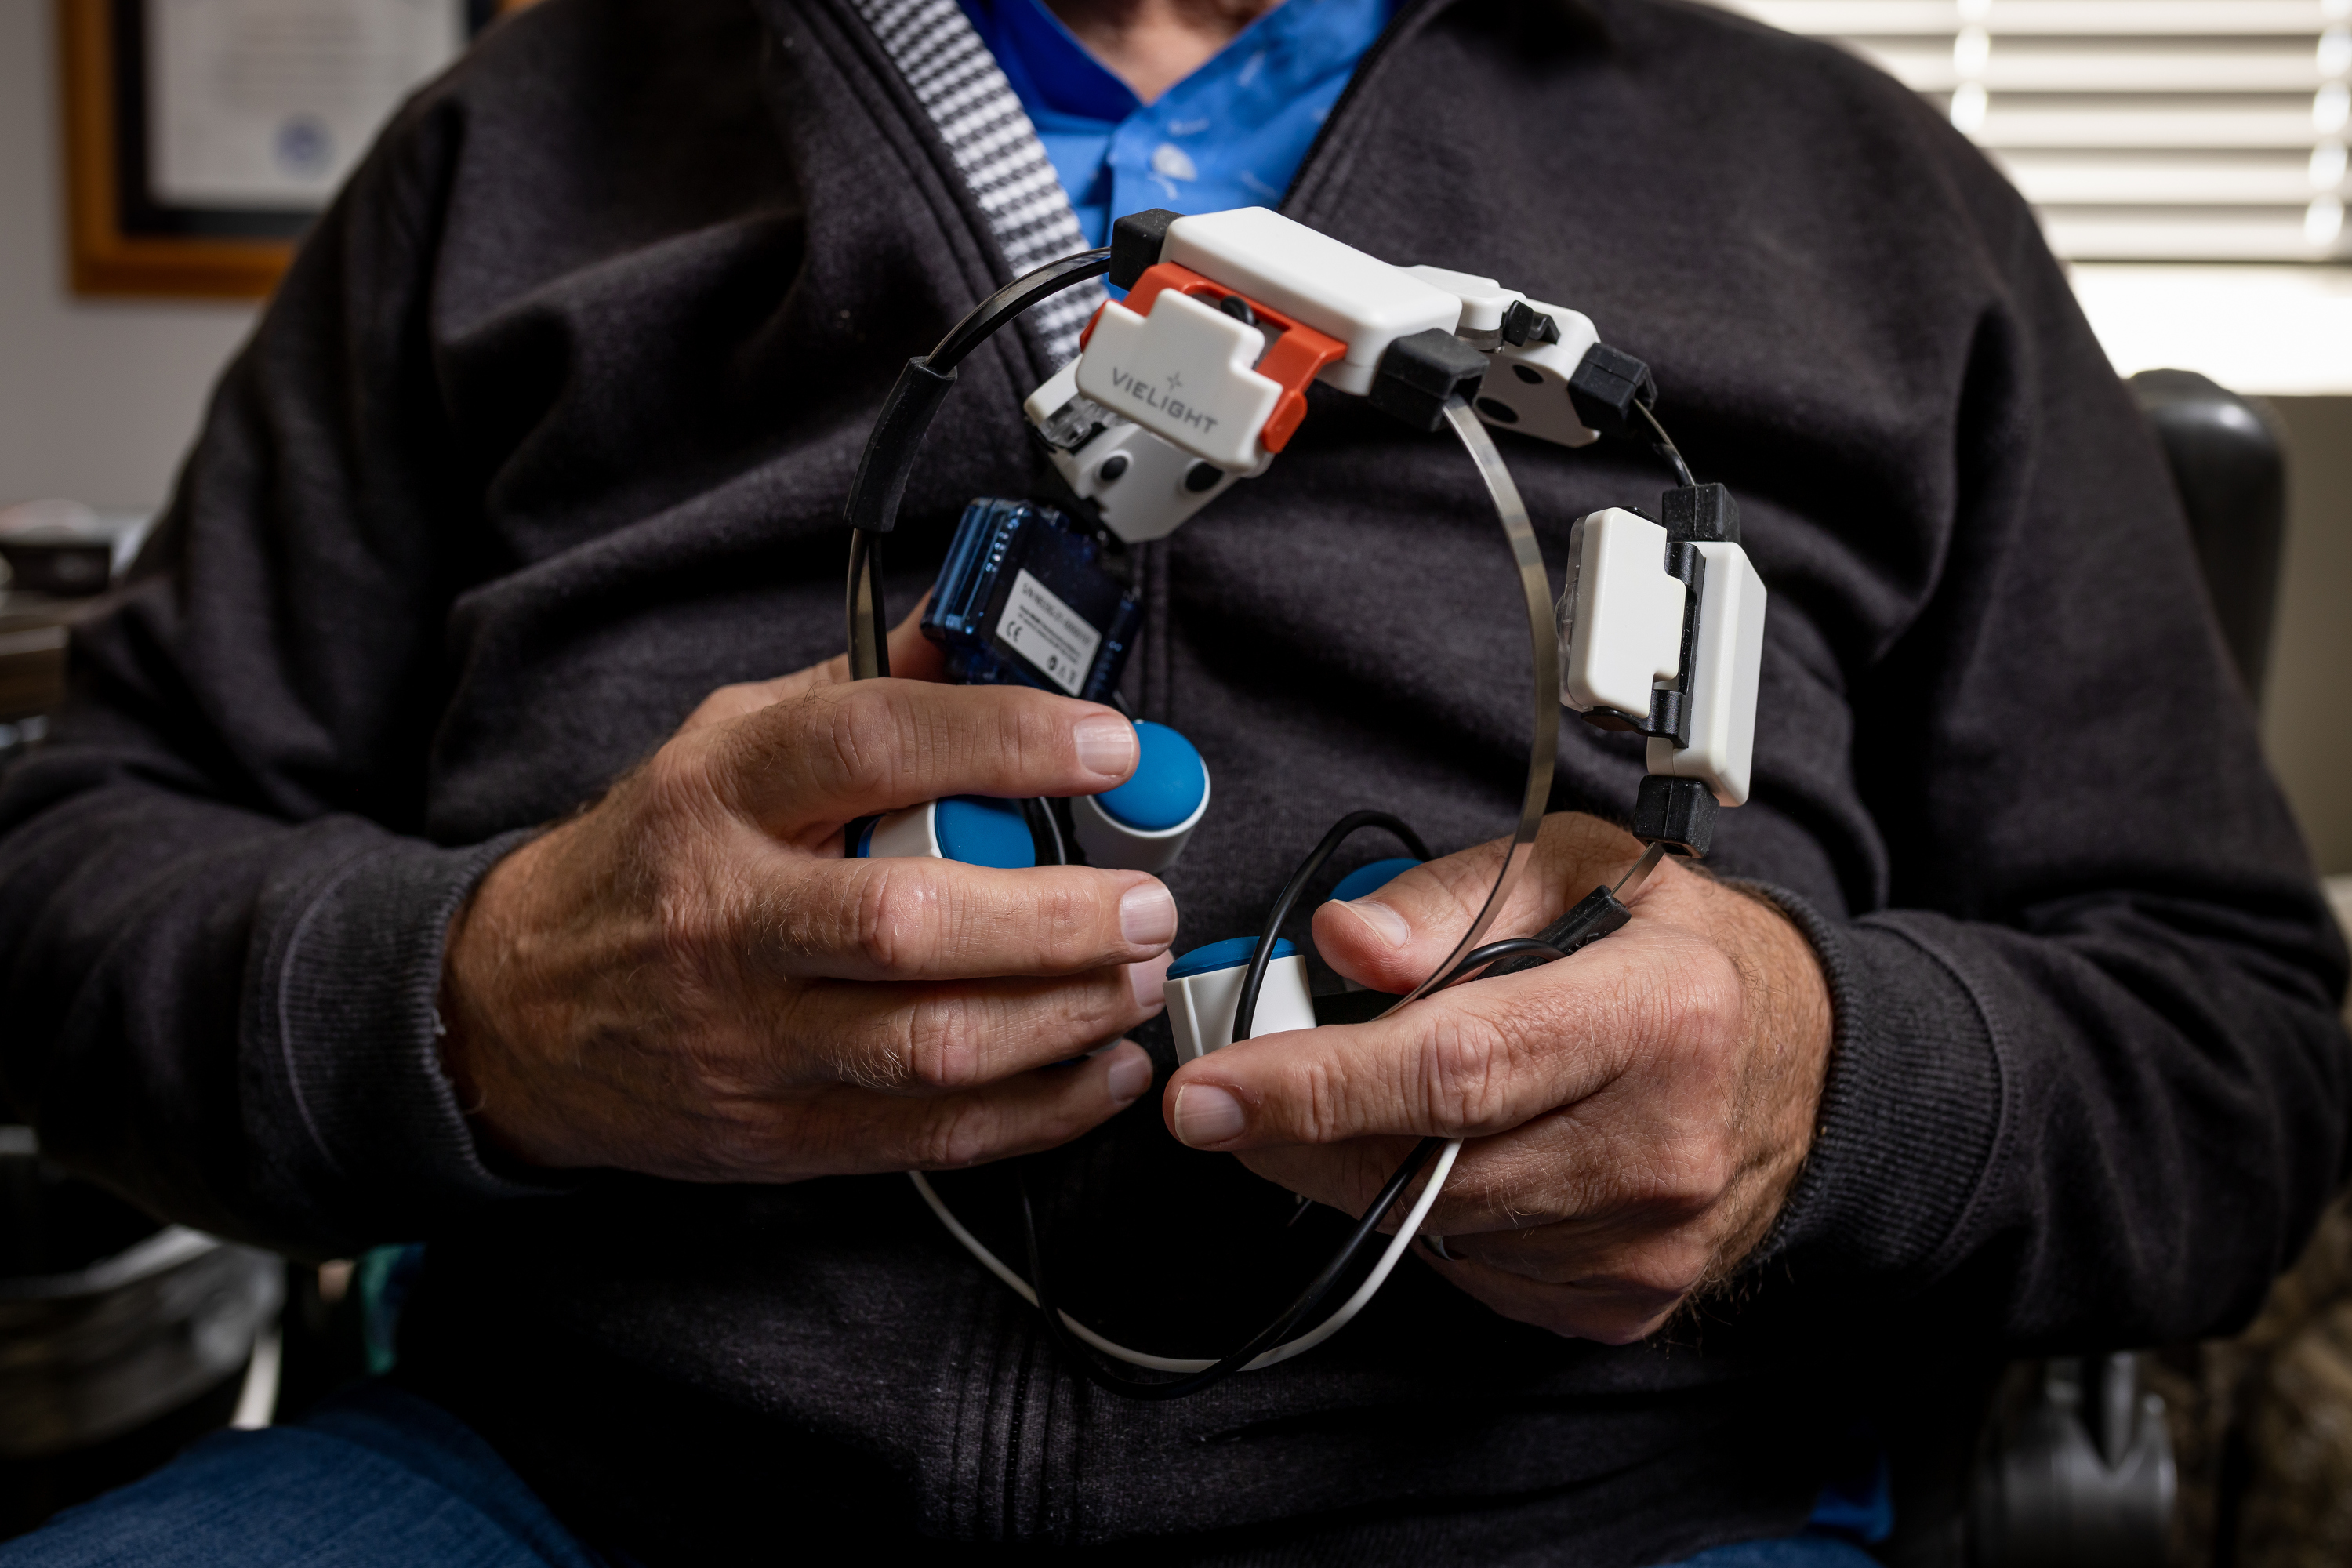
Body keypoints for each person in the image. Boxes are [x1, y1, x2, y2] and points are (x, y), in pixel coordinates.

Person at [1, 0, 2345, 1561]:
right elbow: (72, 888)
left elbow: (2233, 1053)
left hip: (1609, 1522)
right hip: (574, 1495)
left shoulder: (1868, 202)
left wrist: (1827, 1091)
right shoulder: (499, 154)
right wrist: (483, 1001)